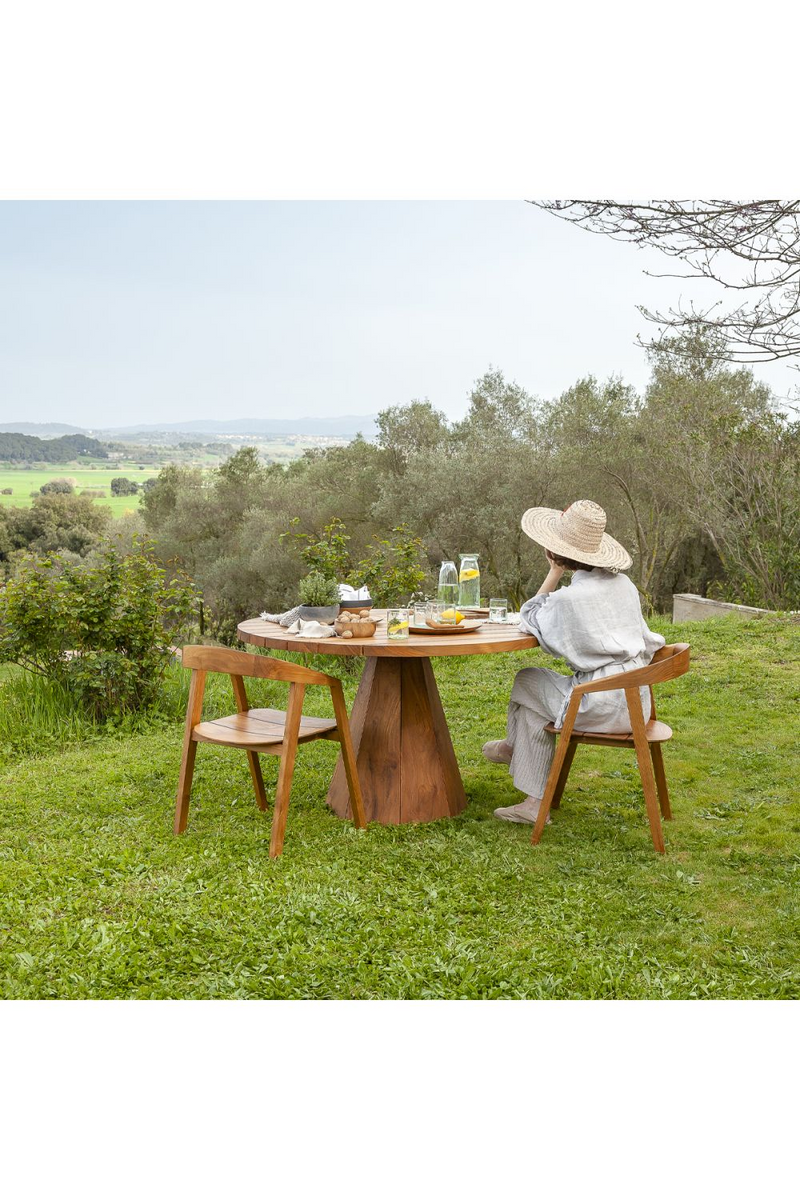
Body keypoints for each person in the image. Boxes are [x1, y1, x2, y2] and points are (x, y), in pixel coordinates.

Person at [483, 499, 665, 824]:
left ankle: (524, 775)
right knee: (532, 693)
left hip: (599, 702)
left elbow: (530, 618)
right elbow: (648, 642)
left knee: (527, 682)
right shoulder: (624, 585)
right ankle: (522, 770)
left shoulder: (571, 600)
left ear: (555, 552)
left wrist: (553, 572)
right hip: (636, 701)